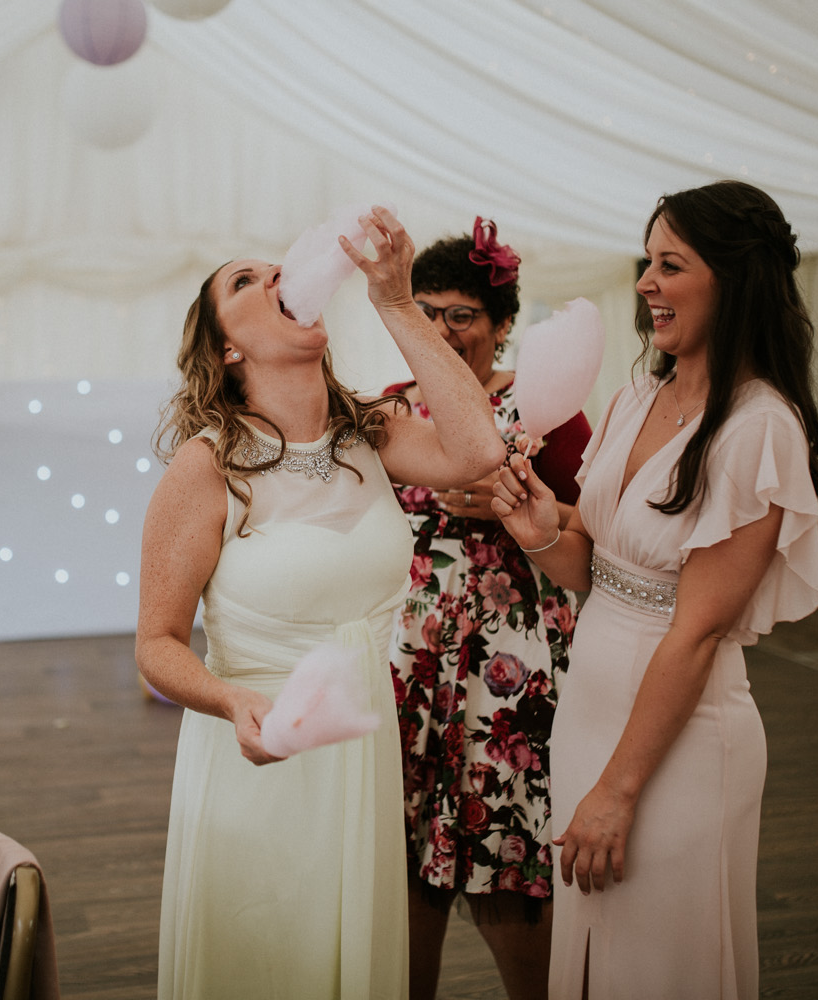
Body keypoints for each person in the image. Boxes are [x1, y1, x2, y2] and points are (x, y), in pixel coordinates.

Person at [136, 206, 507, 1000]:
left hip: (361, 746)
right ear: (226, 346)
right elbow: (156, 646)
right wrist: (232, 699)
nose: (276, 274)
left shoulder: (368, 431)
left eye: (278, 268)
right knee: (268, 954)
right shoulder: (206, 469)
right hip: (259, 750)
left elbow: (479, 451)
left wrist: (397, 303)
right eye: (245, 280)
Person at [490, 180, 818, 999]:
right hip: (590, 708)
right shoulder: (636, 394)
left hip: (677, 743)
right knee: (593, 944)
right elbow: (599, 568)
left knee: (657, 962)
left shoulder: (760, 428)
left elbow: (693, 631)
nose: (646, 282)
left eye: (670, 264)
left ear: (734, 278)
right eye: (647, 262)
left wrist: (618, 790)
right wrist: (540, 524)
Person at [381, 219, 590, 1000]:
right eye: (426, 311)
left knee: (507, 846)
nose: (441, 329)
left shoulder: (548, 411)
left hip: (512, 672)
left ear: (502, 325)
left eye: (462, 314)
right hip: (408, 662)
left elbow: (594, 527)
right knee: (403, 853)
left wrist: (516, 507)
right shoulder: (389, 411)